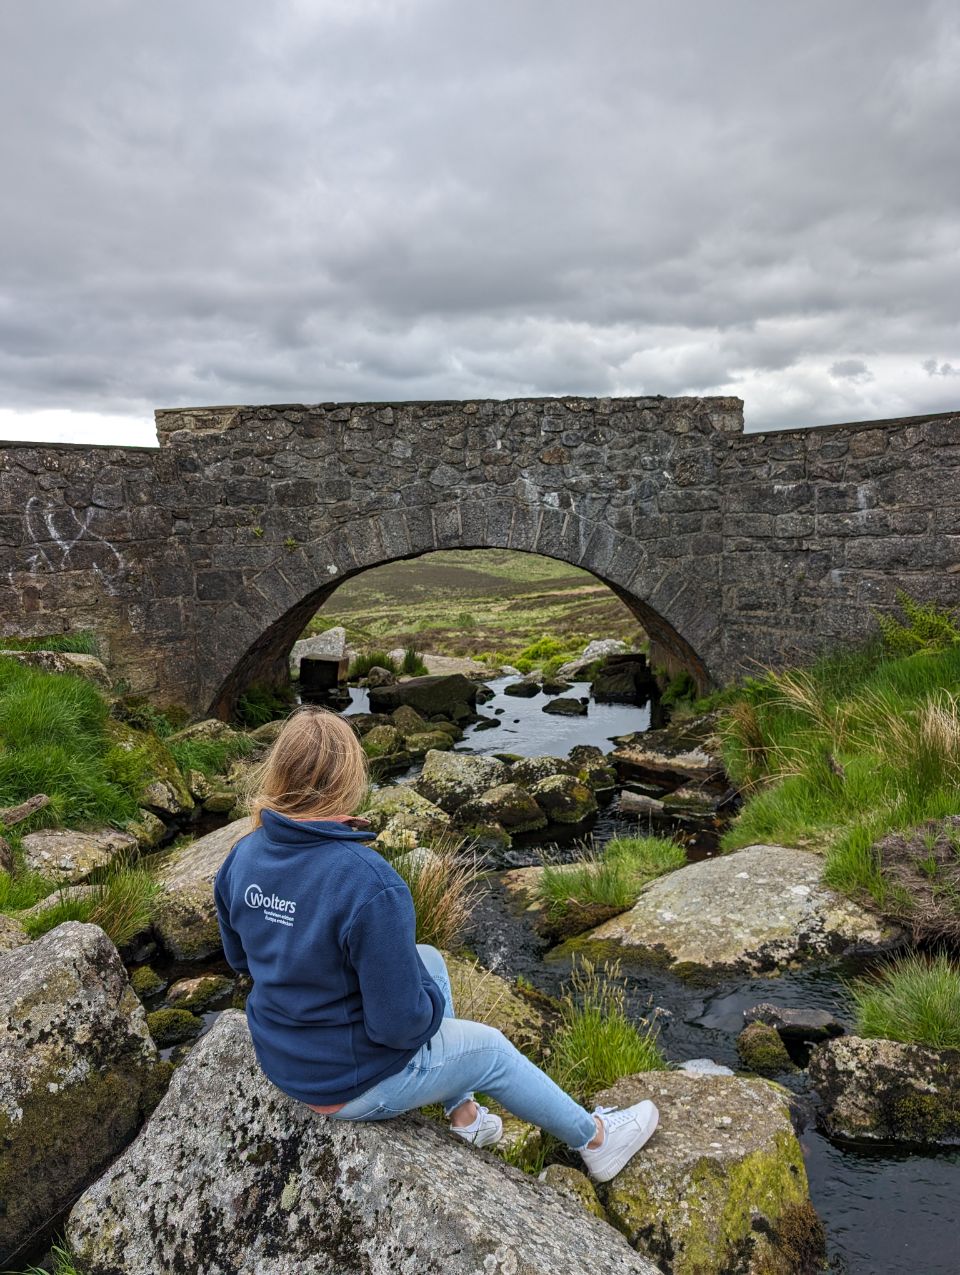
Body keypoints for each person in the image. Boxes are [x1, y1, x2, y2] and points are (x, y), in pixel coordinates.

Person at [213, 705, 658, 1182]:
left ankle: (464, 1118)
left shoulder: (244, 854)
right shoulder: (369, 882)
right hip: (344, 1081)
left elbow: (241, 960)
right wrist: (424, 1000)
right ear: (350, 779)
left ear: (278, 772)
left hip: (285, 1057)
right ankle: (596, 1139)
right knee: (489, 1050)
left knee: (429, 959)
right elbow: (399, 1028)